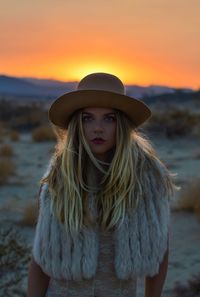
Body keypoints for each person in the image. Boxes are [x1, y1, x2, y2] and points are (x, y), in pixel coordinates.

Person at [27, 72, 175, 297]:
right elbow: (40, 259)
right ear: (77, 123)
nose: (98, 128)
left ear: (122, 124)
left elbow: (160, 252)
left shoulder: (148, 177)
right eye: (88, 118)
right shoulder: (58, 177)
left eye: (109, 118)